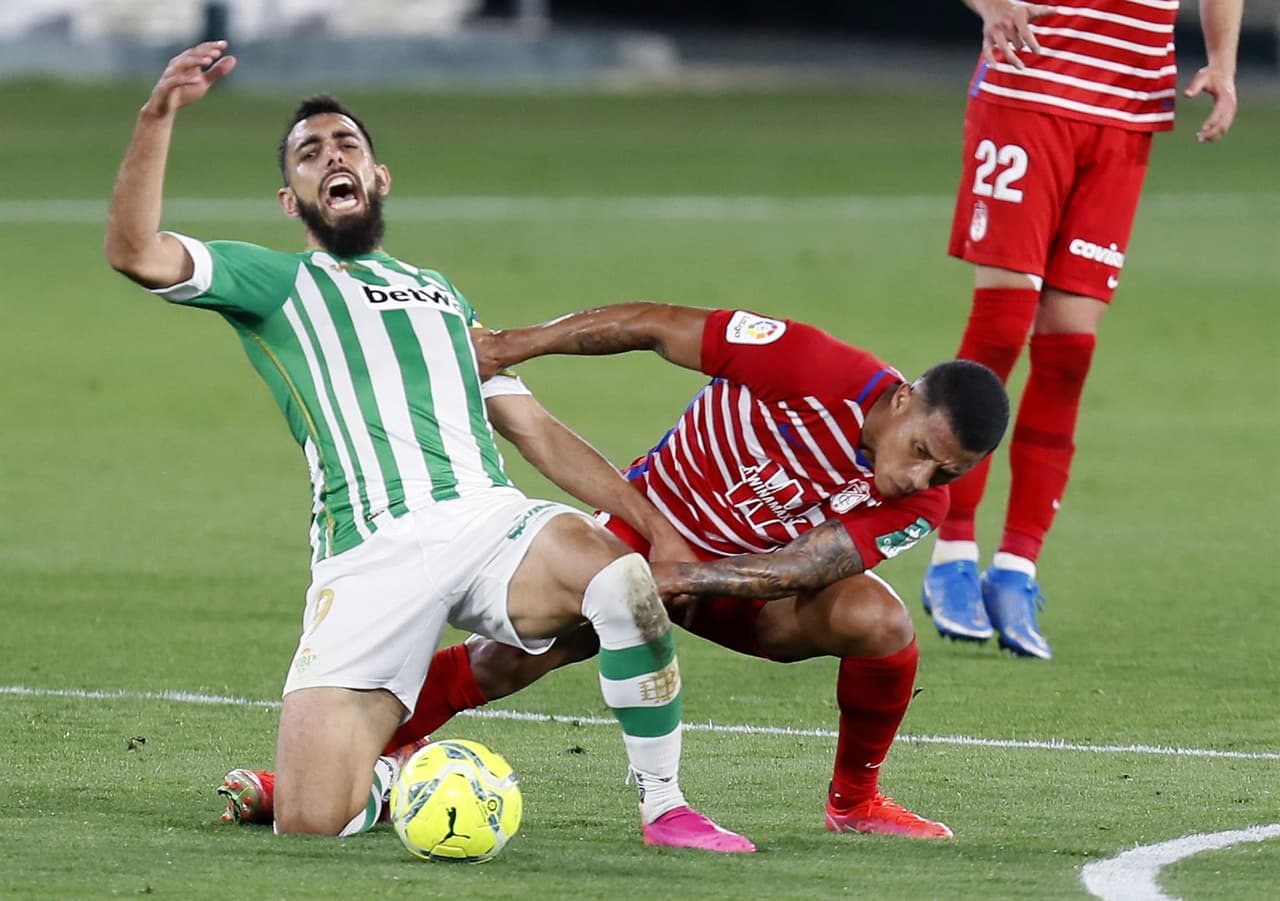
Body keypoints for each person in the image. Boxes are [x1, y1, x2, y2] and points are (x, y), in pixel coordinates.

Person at [104, 41, 754, 853]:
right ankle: (380, 783)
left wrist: (654, 527)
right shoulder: (275, 284)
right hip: (367, 551)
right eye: (310, 153)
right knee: (314, 821)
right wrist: (156, 114)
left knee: (620, 585)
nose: (331, 156)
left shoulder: (442, 295)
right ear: (290, 197)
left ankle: (666, 808)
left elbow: (533, 427)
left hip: (484, 522)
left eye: (347, 146)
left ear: (378, 178)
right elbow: (135, 251)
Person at [222, 302, 1010, 840]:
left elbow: (808, 564)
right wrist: (511, 345)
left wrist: (687, 578)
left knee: (882, 622)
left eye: (945, 474)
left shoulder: (922, 503)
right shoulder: (810, 363)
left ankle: (855, 799)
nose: (920, 482)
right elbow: (651, 325)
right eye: (920, 454)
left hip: (739, 584)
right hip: (642, 530)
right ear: (903, 400)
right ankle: (319, 777)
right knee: (507, 661)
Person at [922, 0, 1242, 658]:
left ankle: (1017, 569)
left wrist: (1223, 62)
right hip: (1029, 86)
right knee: (1002, 326)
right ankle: (951, 551)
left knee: (1070, 349)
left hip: (1127, 109)